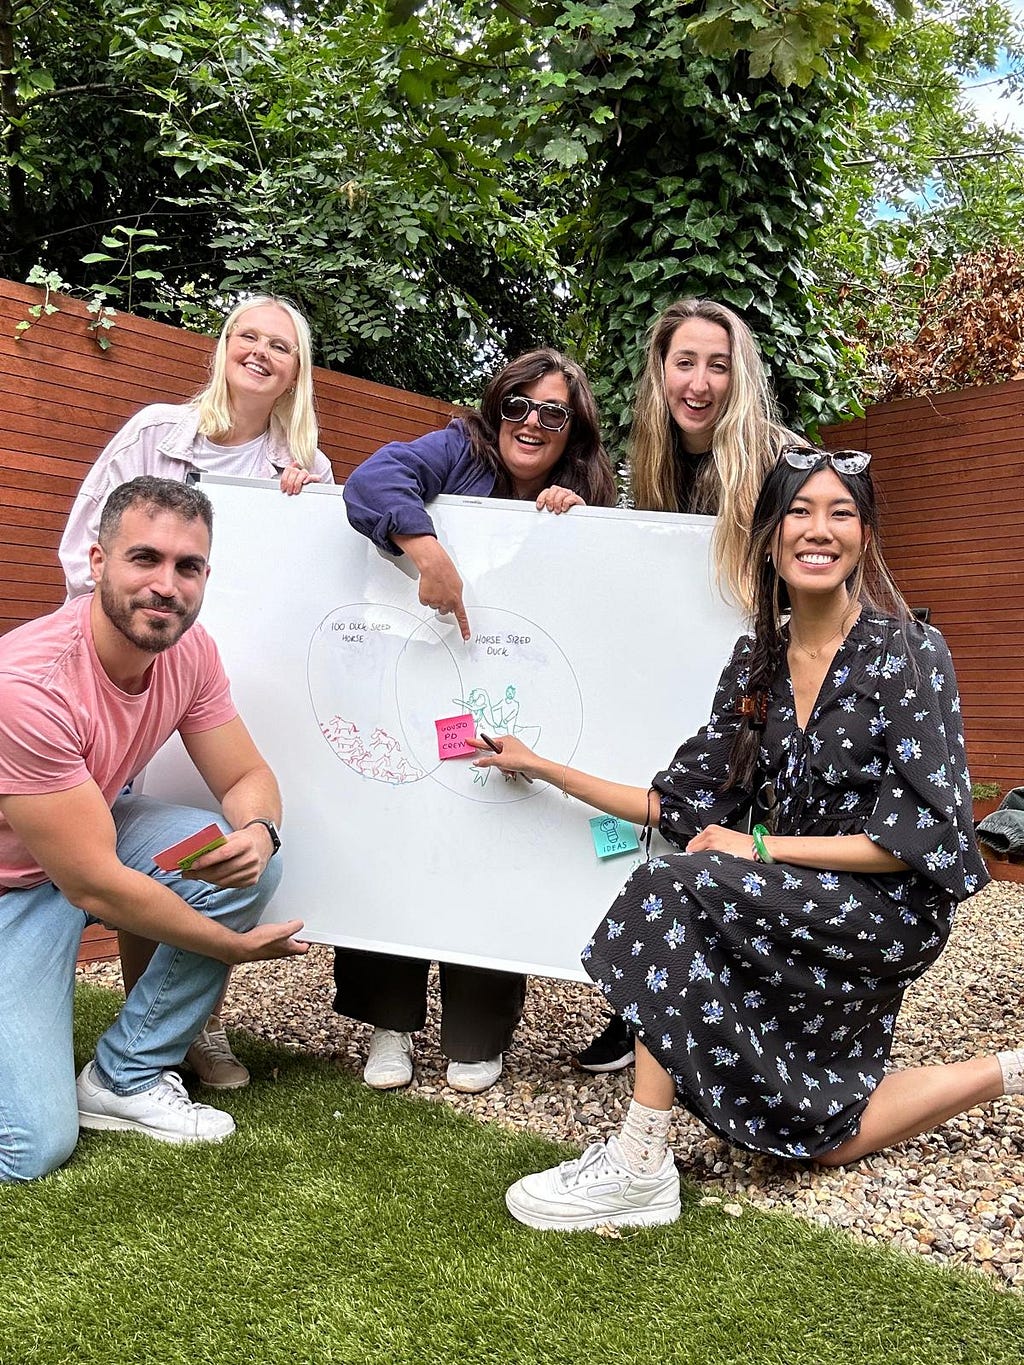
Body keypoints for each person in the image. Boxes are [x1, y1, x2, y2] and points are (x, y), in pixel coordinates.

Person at [471, 447, 1019, 1232]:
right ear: (769, 538)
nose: (818, 530)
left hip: (888, 907)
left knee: (673, 888)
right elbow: (684, 806)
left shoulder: (909, 653)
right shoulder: (755, 663)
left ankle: (641, 1160)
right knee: (816, 1140)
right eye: (799, 512)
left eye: (840, 512)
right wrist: (542, 766)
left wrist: (757, 849)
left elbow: (916, 839)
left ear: (865, 534)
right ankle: (1009, 1071)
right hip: (794, 898)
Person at [58, 294, 332, 1090]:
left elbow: (315, 581)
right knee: (145, 858)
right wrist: (119, 654)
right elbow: (85, 544)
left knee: (215, 849)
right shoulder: (155, 432)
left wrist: (305, 505)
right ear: (222, 347)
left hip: (234, 682)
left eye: (279, 344)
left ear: (295, 370)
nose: (260, 351)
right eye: (247, 335)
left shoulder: (307, 468)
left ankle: (194, 1029)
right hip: (137, 675)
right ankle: (153, 1018)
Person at [0, 477, 308, 1183]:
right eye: (145, 558)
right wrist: (230, 947)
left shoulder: (189, 654)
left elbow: (245, 778)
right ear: (97, 560)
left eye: (188, 566)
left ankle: (126, 1077)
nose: (167, 585)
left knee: (245, 857)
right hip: (13, 886)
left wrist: (260, 832)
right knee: (29, 1146)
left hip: (85, 838)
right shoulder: (29, 684)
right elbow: (94, 884)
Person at [337, 348, 617, 1094]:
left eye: (553, 412)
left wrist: (579, 529)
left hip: (516, 698)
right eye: (518, 405)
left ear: (573, 428)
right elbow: (371, 480)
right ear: (497, 409)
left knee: (497, 836)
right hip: (418, 674)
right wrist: (428, 549)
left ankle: (477, 1031)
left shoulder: (585, 493)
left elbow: (598, 597)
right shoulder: (458, 449)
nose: (531, 422)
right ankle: (389, 1021)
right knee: (403, 830)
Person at [577, 296, 799, 1075]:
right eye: (684, 362)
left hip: (771, 685)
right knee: (672, 827)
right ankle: (645, 1007)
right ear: (661, 372)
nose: (700, 381)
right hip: (693, 684)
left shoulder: (777, 459)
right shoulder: (661, 463)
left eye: (718, 363)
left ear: (739, 374)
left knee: (739, 844)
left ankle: (742, 1027)